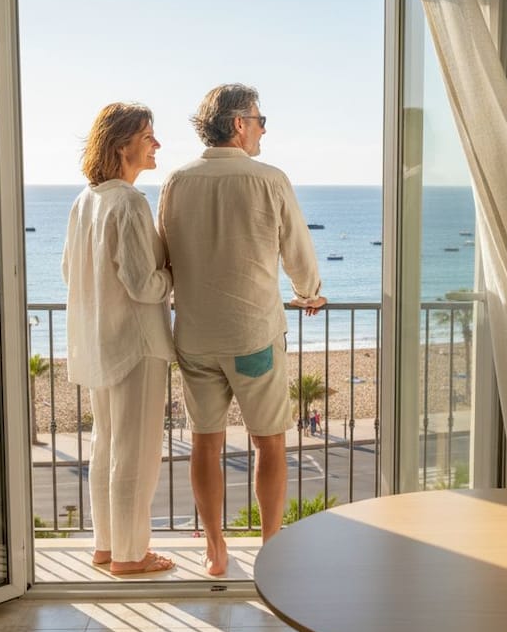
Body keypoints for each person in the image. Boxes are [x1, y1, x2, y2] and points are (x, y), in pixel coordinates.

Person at [159, 84, 326, 576]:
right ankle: (270, 547)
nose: (264, 128)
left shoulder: (176, 181)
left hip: (194, 338)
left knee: (205, 442)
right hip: (252, 335)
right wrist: (310, 291)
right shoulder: (269, 179)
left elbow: (163, 253)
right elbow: (297, 249)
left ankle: (216, 550)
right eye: (259, 119)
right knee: (269, 441)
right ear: (238, 125)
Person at [61, 102, 175, 575]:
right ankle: (131, 555)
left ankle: (106, 546)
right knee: (137, 454)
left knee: (106, 446)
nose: (157, 145)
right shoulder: (129, 202)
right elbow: (142, 283)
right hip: (136, 346)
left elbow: (70, 270)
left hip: (97, 343)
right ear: (123, 143)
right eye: (149, 136)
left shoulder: (85, 200)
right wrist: (172, 273)